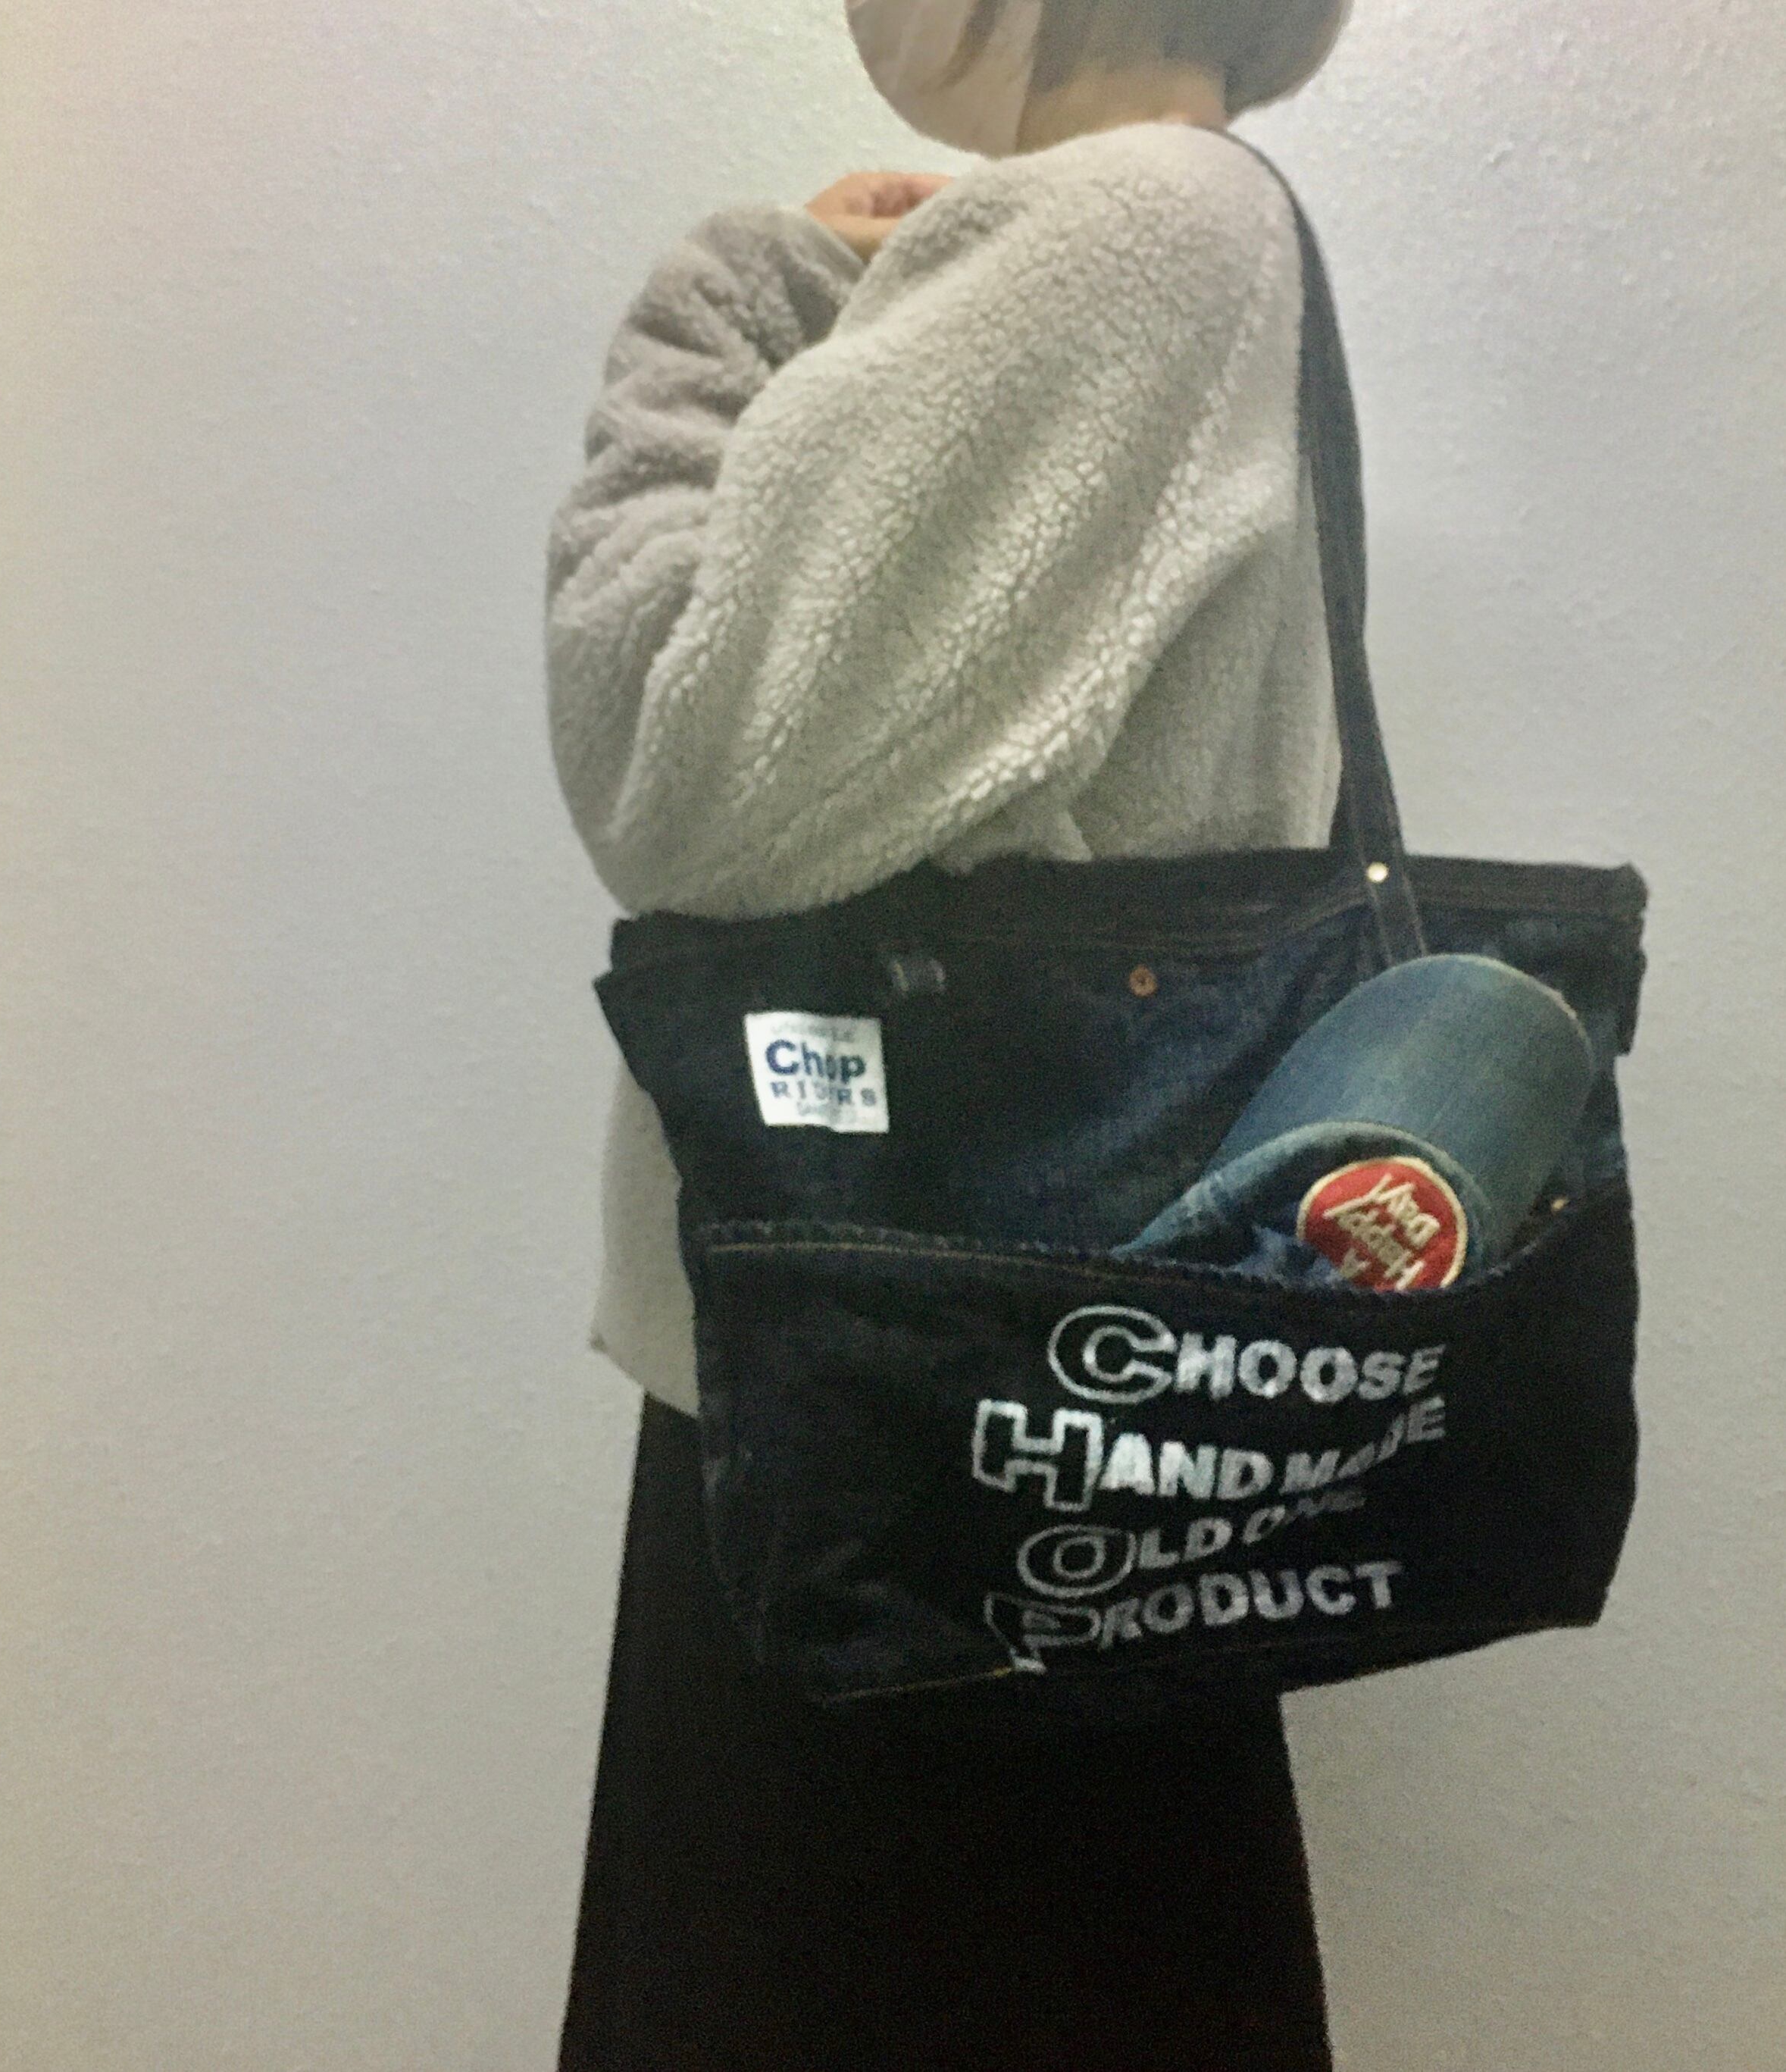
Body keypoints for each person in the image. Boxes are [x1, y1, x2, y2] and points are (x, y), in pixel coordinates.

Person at [546, 4, 1354, 2065]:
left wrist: (734, 296)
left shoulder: (1128, 231)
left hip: (904, 1412)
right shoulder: (1172, 228)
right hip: (1013, 1383)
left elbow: (674, 757)